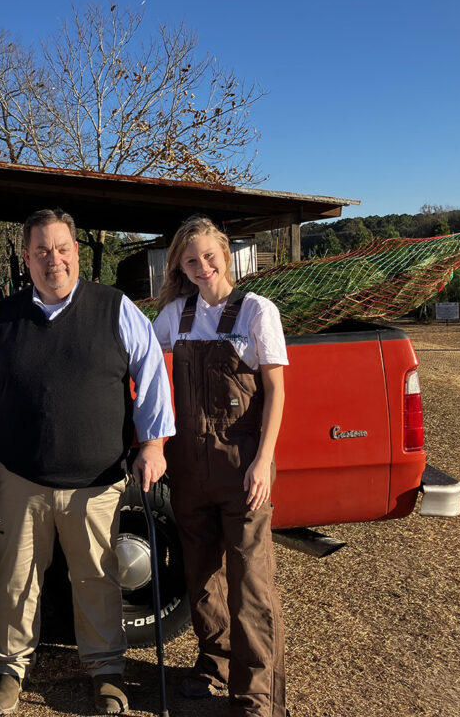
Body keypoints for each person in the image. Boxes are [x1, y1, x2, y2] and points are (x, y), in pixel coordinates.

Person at [0, 208, 175, 716]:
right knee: (16, 579)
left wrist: (153, 445)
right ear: (27, 258)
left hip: (96, 482)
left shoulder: (115, 308)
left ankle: (106, 671)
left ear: (76, 252)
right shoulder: (1, 317)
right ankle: (10, 670)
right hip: (19, 477)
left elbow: (152, 377)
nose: (52, 259)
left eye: (61, 249)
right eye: (40, 251)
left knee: (98, 577)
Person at [151, 215, 289, 717]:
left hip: (242, 464)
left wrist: (263, 461)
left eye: (209, 256)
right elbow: (142, 357)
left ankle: (257, 696)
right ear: (181, 268)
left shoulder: (256, 311)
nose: (202, 266)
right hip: (189, 466)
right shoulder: (176, 315)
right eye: (191, 261)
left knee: (250, 580)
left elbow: (275, 390)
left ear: (226, 256)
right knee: (201, 575)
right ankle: (214, 666)